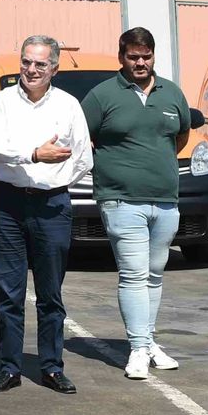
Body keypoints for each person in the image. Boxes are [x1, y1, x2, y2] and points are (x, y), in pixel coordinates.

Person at [0, 34, 92, 394]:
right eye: (26, 62)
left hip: (51, 204)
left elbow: (83, 158)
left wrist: (53, 180)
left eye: (40, 64)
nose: (31, 69)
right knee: (9, 292)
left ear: (54, 69)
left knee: (50, 292)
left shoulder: (68, 105)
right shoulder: (0, 102)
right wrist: (34, 155)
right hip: (7, 204)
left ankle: (51, 367)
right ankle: (9, 367)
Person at [80, 27, 192, 380]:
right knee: (133, 274)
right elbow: (82, 138)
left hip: (165, 200)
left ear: (154, 56)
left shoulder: (171, 93)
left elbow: (180, 136)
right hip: (121, 200)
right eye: (133, 57)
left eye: (146, 56)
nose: (140, 63)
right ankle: (138, 348)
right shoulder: (102, 95)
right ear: (121, 57)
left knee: (155, 273)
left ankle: (149, 341)